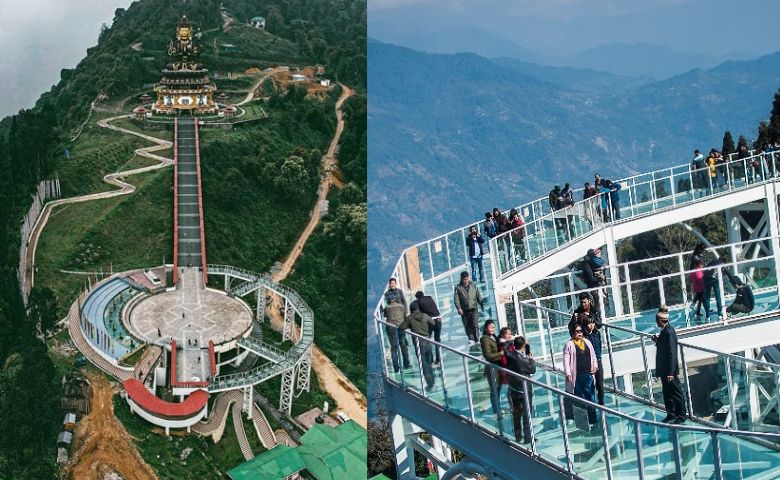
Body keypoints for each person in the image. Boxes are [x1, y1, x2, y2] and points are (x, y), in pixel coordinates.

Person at [652, 305, 686, 423]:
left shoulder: (669, 332)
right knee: (667, 393)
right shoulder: (665, 331)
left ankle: (681, 415)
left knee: (676, 392)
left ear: (661, 320)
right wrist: (657, 341)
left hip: (669, 369)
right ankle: (671, 413)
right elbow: (665, 347)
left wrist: (671, 372)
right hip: (664, 369)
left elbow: (672, 353)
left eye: (657, 321)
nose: (656, 323)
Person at [563, 325, 598, 424]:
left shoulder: (587, 342)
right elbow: (566, 361)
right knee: (578, 398)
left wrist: (595, 366)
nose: (579, 333)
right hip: (576, 376)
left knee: (590, 396)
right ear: (572, 333)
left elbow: (593, 355)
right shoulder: (569, 344)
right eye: (577, 331)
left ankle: (593, 420)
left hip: (588, 374)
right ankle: (582, 422)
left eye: (581, 331)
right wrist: (568, 373)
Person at [505, 336, 536, 444]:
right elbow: (532, 370)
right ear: (523, 345)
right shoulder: (524, 360)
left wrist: (510, 341)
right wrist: (531, 359)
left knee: (516, 413)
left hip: (514, 389)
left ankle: (518, 436)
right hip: (525, 390)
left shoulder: (510, 354)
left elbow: (505, 346)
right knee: (527, 413)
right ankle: (528, 437)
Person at [399, 302, 436, 391]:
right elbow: (433, 323)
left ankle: (430, 385)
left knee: (424, 365)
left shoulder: (410, 318)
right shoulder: (425, 315)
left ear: (411, 310)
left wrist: (409, 324)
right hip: (428, 342)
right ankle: (433, 381)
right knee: (429, 363)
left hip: (419, 344)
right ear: (418, 308)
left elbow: (401, 327)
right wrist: (429, 333)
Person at [480, 320, 505, 417]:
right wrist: (501, 354)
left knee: (498, 388)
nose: (492, 329)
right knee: (494, 389)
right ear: (486, 328)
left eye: (494, 327)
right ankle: (496, 410)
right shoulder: (485, 339)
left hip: (498, 366)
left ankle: (497, 407)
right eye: (490, 327)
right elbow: (488, 355)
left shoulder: (493, 337)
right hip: (492, 367)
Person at [454, 271, 484, 345]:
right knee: (467, 325)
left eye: (467, 279)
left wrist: (481, 303)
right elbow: (456, 299)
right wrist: (459, 308)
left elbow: (478, 295)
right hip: (464, 309)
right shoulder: (458, 287)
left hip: (473, 307)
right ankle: (471, 338)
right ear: (461, 279)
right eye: (464, 279)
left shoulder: (473, 285)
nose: (466, 281)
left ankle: (477, 339)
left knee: (475, 323)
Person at [383, 295, 411, 373]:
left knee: (394, 348)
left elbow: (385, 316)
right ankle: (406, 364)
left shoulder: (387, 308)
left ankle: (396, 368)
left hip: (391, 328)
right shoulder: (401, 306)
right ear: (396, 299)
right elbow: (405, 314)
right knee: (403, 346)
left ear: (388, 300)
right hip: (401, 327)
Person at [414, 291, 443, 365]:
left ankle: (430, 361)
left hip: (430, 322)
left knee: (427, 341)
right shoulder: (429, 297)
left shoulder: (418, 302)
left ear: (417, 297)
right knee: (437, 340)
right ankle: (438, 360)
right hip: (438, 319)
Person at [582, 316, 604, 405]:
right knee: (589, 383)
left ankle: (601, 402)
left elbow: (599, 346)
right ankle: (590, 402)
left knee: (600, 382)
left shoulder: (597, 333)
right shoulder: (584, 337)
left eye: (592, 323)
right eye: (589, 323)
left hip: (598, 360)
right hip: (589, 362)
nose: (591, 325)